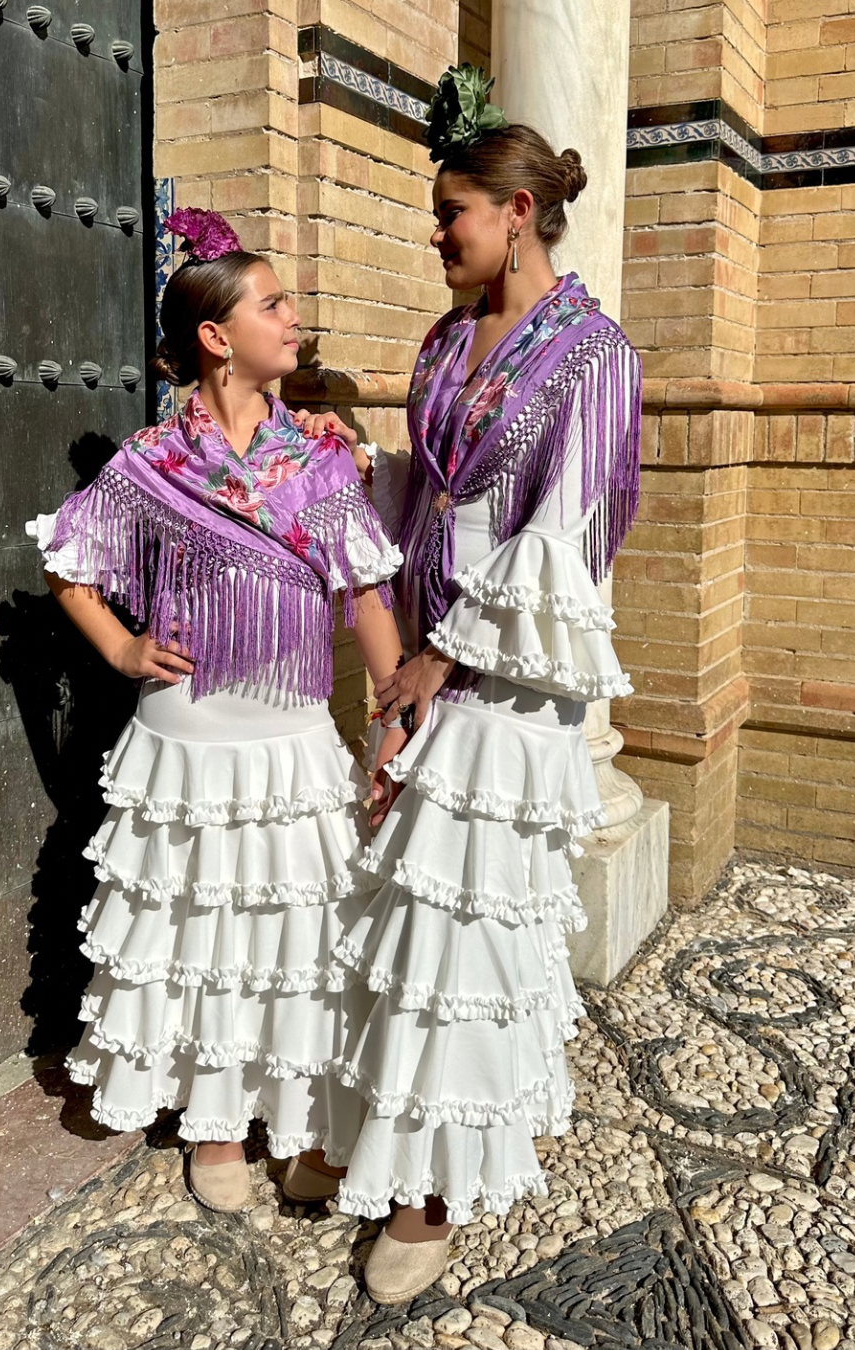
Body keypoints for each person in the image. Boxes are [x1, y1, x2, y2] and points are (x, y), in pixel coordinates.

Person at [296, 66, 641, 1303]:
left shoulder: (596, 356)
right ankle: (379, 1137)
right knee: (392, 915)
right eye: (437, 212)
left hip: (504, 683)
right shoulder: (446, 339)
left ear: (520, 213)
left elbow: (567, 537)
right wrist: (367, 464)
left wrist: (453, 653)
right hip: (431, 661)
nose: (435, 234)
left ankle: (433, 1196)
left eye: (453, 213)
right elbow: (439, 493)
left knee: (465, 933)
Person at [26, 209, 405, 1213]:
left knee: (297, 936)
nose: (294, 318)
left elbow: (363, 593)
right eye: (272, 303)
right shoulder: (151, 463)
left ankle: (300, 1111)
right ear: (215, 335)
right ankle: (218, 1124)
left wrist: (398, 712)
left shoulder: (323, 459)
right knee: (201, 935)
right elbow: (69, 569)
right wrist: (120, 647)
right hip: (187, 741)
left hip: (290, 740)